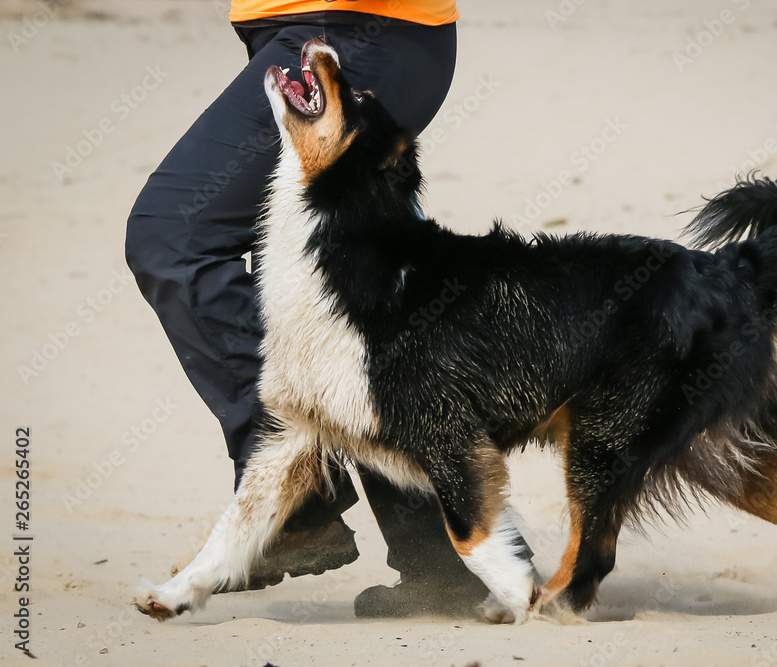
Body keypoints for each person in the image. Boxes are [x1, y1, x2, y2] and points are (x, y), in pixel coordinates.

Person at [125, 0, 524, 618]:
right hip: (325, 30)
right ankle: (440, 557)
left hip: (358, 27)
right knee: (357, 283)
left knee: (175, 235)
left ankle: (296, 500)